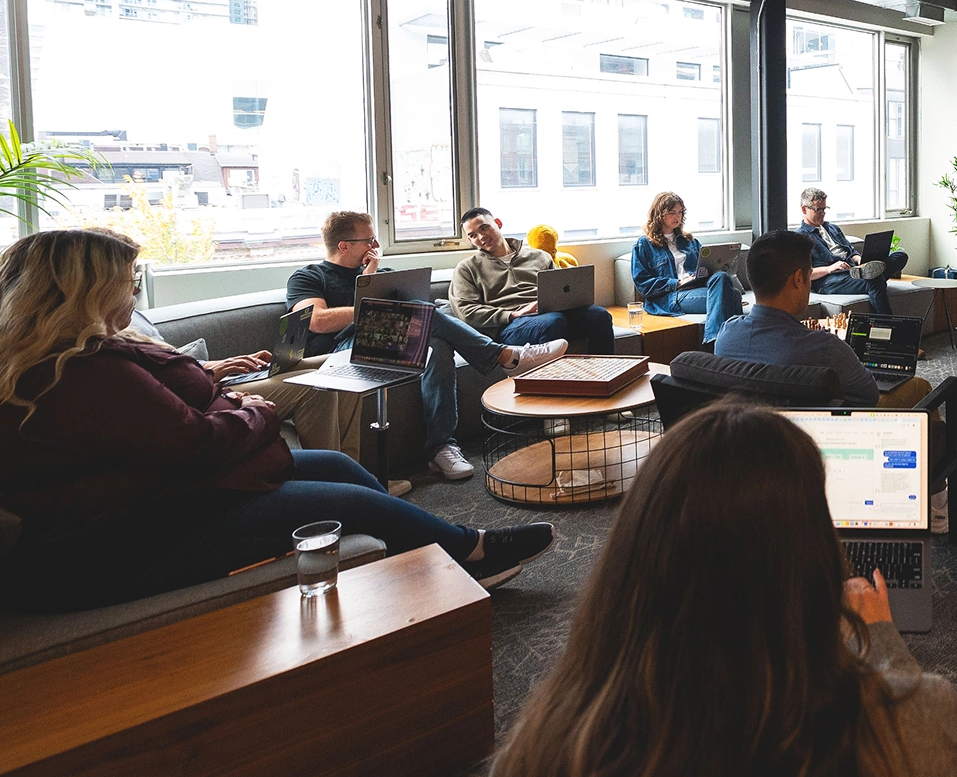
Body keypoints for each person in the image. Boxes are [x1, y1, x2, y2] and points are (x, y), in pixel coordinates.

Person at [481, 400, 957, 777]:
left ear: (629, 564)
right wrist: (883, 641)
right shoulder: (917, 721)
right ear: (813, 562)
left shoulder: (535, 766)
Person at [0, 230, 557, 613]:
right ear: (85, 292)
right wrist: (252, 410)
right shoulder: (77, 372)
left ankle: (431, 557)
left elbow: (156, 426)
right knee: (350, 501)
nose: (134, 291)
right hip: (114, 538)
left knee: (339, 464)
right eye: (128, 281)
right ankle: (467, 548)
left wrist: (215, 384)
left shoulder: (78, 359)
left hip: (159, 493)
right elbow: (194, 443)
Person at [287, 211, 567, 483]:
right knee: (421, 311)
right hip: (341, 353)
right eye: (370, 241)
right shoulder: (310, 277)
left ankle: (441, 448)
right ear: (344, 245)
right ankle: (505, 356)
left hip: (389, 346)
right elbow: (317, 321)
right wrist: (374, 303)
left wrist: (372, 278)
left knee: (436, 343)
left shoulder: (383, 274)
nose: (376, 246)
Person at [715, 231, 949, 530]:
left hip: (758, 447)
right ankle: (938, 505)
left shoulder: (727, 334)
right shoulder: (824, 347)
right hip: (829, 441)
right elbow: (867, 396)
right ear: (800, 279)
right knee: (920, 387)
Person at [127, 304, 363, 465]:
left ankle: (357, 468)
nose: (134, 291)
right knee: (315, 385)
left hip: (209, 373)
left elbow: (175, 359)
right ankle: (332, 481)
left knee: (341, 364)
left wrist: (229, 362)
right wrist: (209, 372)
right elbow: (158, 382)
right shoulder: (109, 340)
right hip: (204, 387)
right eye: (130, 278)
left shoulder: (134, 315)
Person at [452, 207, 614, 353]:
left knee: (599, 315)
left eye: (484, 227)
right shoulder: (467, 268)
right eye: (473, 236)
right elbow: (466, 311)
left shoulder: (539, 256)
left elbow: (562, 290)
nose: (481, 237)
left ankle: (604, 378)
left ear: (498, 223)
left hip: (552, 314)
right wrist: (513, 314)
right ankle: (549, 385)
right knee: (553, 322)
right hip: (511, 325)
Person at [628, 192, 744, 342]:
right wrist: (676, 282)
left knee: (722, 277)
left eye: (680, 212)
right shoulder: (644, 245)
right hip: (671, 296)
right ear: (659, 215)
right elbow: (642, 285)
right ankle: (722, 342)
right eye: (671, 213)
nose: (677, 216)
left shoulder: (689, 241)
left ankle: (721, 342)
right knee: (733, 296)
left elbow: (705, 267)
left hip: (695, 288)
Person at [797, 187, 909, 317]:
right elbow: (805, 274)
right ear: (804, 209)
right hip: (829, 280)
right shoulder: (800, 238)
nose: (823, 213)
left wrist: (859, 259)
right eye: (818, 209)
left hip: (852, 270)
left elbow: (851, 251)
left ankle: (872, 269)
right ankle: (888, 326)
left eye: (824, 209)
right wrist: (830, 268)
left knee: (900, 255)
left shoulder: (833, 228)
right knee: (875, 280)